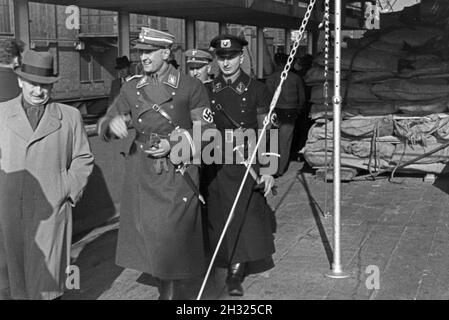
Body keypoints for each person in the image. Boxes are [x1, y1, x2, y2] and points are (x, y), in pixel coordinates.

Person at [97, 27, 214, 300]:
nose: (143, 57)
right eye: (141, 52)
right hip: (143, 172)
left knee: (171, 236)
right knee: (150, 235)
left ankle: (169, 294)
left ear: (166, 52)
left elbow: (208, 133)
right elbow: (106, 122)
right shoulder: (131, 87)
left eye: (149, 51)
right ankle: (166, 289)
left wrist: (173, 146)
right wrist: (111, 124)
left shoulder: (189, 86)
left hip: (176, 173)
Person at [0, 50, 94, 300]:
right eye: (32, 84)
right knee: (11, 282)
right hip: (9, 212)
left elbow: (83, 158)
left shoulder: (70, 116)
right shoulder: (0, 114)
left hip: (51, 212)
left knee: (48, 283)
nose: (38, 91)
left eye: (44, 85)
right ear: (20, 80)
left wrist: (65, 190)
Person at [204, 34, 277, 296]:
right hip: (215, 164)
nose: (226, 63)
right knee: (219, 216)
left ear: (241, 57)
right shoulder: (206, 90)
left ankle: (236, 272)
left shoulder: (257, 90)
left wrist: (268, 170)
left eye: (231, 57)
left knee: (244, 217)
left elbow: (268, 131)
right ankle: (220, 260)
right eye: (221, 58)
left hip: (247, 163)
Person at [266, 52, 306, 175]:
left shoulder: (270, 78)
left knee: (273, 140)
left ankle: (271, 167)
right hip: (290, 111)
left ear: (275, 62)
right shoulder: (295, 78)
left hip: (275, 112)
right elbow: (302, 97)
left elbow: (267, 98)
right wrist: (299, 110)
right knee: (285, 142)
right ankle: (280, 169)